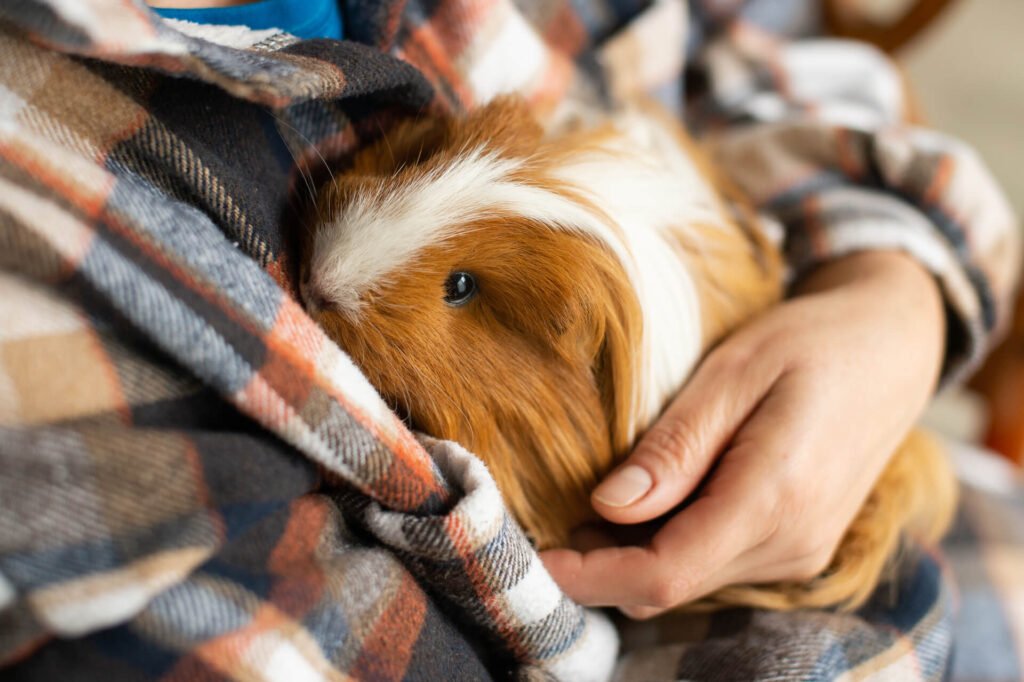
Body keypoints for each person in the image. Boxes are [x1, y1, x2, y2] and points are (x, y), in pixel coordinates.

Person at [0, 0, 1018, 679]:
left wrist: (892, 286)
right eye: (462, 286)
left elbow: (736, 51)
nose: (335, 266)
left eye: (453, 285)